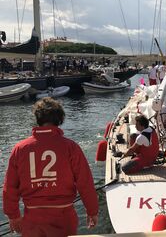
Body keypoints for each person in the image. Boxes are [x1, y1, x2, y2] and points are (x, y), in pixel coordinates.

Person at [2, 97, 99, 236]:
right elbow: (85, 183)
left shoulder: (20, 148)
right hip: (64, 217)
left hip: (32, 218)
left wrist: (13, 215)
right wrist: (92, 211)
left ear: (38, 119)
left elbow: (9, 187)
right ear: (59, 120)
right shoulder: (70, 147)